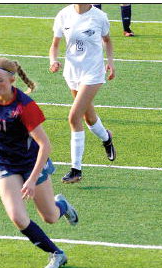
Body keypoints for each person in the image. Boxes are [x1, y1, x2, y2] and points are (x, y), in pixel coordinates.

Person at [0, 57, 79, 268]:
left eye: (0, 80)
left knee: (50, 217)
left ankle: (62, 206)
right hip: (4, 163)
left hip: (32, 163)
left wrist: (31, 180)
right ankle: (56, 253)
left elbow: (45, 145)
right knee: (18, 218)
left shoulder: (24, 106)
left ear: (12, 80)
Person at [49, 4, 116, 184]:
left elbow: (107, 41)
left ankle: (76, 170)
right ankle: (106, 137)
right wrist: (53, 60)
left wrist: (110, 62)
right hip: (72, 72)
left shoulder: (99, 16)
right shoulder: (63, 14)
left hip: (93, 72)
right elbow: (55, 45)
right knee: (88, 117)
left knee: (73, 117)